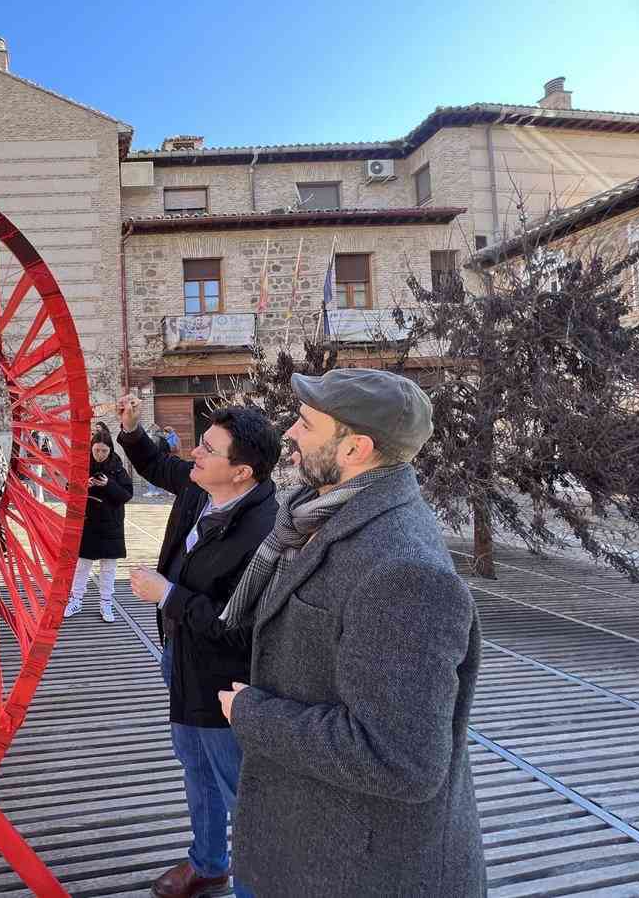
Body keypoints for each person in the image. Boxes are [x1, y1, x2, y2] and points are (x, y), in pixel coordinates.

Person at [216, 369, 485, 897]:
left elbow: (401, 759)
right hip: (303, 846)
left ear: (355, 448)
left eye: (306, 423)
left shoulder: (405, 571)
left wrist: (252, 713)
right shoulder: (312, 516)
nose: (289, 433)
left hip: (358, 870)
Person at [117, 394, 281, 898]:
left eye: (209, 449)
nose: (195, 453)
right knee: (194, 766)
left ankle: (256, 888)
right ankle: (209, 864)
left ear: (242, 472)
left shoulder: (265, 532)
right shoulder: (200, 487)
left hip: (227, 679)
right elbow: (156, 465)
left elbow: (237, 624)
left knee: (238, 789)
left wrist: (168, 595)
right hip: (181, 656)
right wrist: (132, 430)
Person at [64, 430, 132, 623]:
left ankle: (106, 602)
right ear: (91, 448)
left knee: (108, 566)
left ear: (110, 450)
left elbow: (126, 495)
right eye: (96, 450)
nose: (100, 454)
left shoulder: (118, 468)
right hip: (88, 522)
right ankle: (76, 599)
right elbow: (69, 490)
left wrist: (108, 484)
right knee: (82, 565)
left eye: (104, 451)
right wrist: (82, 486)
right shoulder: (82, 466)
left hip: (111, 523)